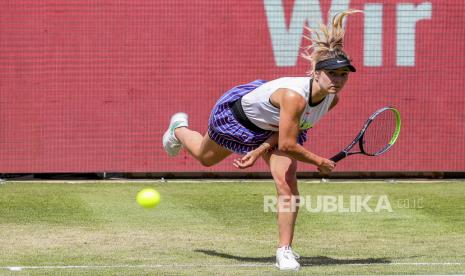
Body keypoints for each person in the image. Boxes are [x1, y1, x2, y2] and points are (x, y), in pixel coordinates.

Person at [162, 10, 361, 271]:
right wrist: (318, 161)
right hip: (239, 118)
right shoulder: (294, 97)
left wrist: (259, 151)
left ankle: (285, 251)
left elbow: (284, 135)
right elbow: (289, 145)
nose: (338, 80)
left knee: (287, 184)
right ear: (316, 73)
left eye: (343, 75)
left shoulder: (331, 99)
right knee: (204, 156)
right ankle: (178, 128)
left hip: (273, 127)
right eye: (332, 74)